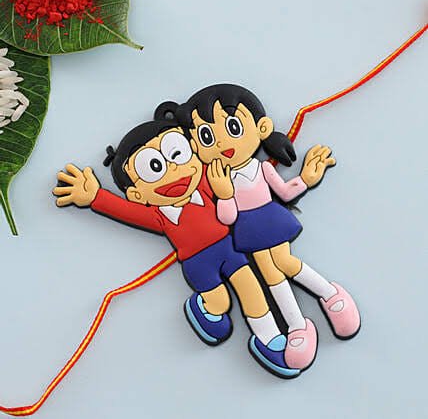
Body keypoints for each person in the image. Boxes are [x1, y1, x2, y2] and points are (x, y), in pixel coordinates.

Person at [53, 119, 300, 378]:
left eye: (177, 154)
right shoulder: (158, 215)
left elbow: (228, 160)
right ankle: (206, 309)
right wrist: (95, 197)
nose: (173, 170)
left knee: (252, 290)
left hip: (230, 249)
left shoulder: (207, 184)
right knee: (221, 302)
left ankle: (270, 340)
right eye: (155, 168)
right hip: (198, 264)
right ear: (138, 194)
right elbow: (124, 210)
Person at [158, 84, 360, 370]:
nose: (221, 143)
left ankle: (330, 295)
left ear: (261, 127)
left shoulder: (261, 167)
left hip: (269, 220)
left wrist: (306, 178)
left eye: (233, 127)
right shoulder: (218, 181)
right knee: (270, 274)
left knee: (284, 262)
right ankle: (298, 327)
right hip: (247, 230)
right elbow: (227, 217)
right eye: (207, 137)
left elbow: (285, 192)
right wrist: (224, 193)